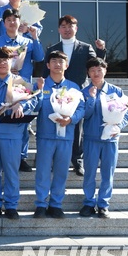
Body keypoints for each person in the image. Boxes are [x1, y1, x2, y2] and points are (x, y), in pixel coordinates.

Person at [0, 47, 40, 220]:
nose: (1, 63)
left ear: (11, 61)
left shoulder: (19, 81)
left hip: (12, 134)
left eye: (5, 60)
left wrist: (21, 105)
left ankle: (12, 205)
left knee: (11, 171)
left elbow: (34, 99)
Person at [43, 15, 107, 176]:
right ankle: (54, 158)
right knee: (54, 121)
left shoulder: (85, 47)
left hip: (78, 91)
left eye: (70, 26)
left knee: (78, 126)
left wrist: (100, 51)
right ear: (59, 29)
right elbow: (45, 72)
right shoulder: (53, 48)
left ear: (76, 28)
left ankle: (77, 160)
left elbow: (96, 65)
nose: (66, 29)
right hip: (56, 91)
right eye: (63, 26)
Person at [0, 8, 45, 172]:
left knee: (22, 122)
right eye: (8, 20)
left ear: (19, 22)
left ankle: (21, 157)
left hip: (22, 84)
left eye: (15, 20)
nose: (12, 22)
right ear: (4, 22)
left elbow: (40, 57)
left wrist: (35, 38)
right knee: (3, 118)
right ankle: (1, 154)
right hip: (2, 83)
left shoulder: (27, 42)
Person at [32, 51, 85, 219]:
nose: (57, 64)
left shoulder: (73, 87)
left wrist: (71, 119)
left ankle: (56, 204)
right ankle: (41, 204)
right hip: (46, 135)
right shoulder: (41, 85)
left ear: (66, 65)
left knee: (61, 171)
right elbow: (34, 106)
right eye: (53, 61)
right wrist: (39, 91)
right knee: (42, 171)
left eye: (61, 61)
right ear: (47, 65)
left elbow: (81, 108)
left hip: (65, 136)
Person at [79, 57, 128, 219]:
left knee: (108, 173)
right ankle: (88, 202)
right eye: (92, 70)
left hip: (110, 139)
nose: (96, 73)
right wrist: (92, 99)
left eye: (99, 70)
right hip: (91, 138)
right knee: (89, 173)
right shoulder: (83, 92)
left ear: (105, 71)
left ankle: (103, 204)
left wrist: (119, 126)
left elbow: (126, 112)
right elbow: (84, 115)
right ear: (88, 73)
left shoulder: (116, 91)